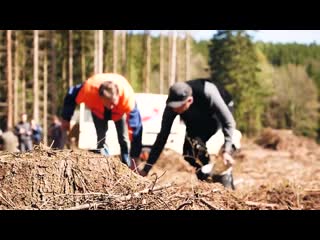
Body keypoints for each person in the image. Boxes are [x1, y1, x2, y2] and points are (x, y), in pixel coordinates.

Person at [139, 79, 240, 189]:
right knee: (190, 152)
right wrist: (146, 169)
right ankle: (207, 182)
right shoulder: (172, 107)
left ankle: (225, 181)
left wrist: (227, 150)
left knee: (224, 153)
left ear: (189, 100)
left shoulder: (208, 92)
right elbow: (162, 137)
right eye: (173, 106)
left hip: (218, 111)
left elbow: (229, 122)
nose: (175, 110)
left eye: (179, 106)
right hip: (198, 116)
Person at [61, 73, 143, 169]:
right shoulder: (89, 89)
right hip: (98, 112)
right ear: (100, 97)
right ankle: (104, 163)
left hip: (119, 113)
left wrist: (135, 156)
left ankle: (127, 164)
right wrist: (66, 118)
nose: (111, 106)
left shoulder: (127, 97)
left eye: (113, 102)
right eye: (108, 103)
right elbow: (71, 95)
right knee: (101, 138)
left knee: (123, 139)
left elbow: (136, 128)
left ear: (118, 95)